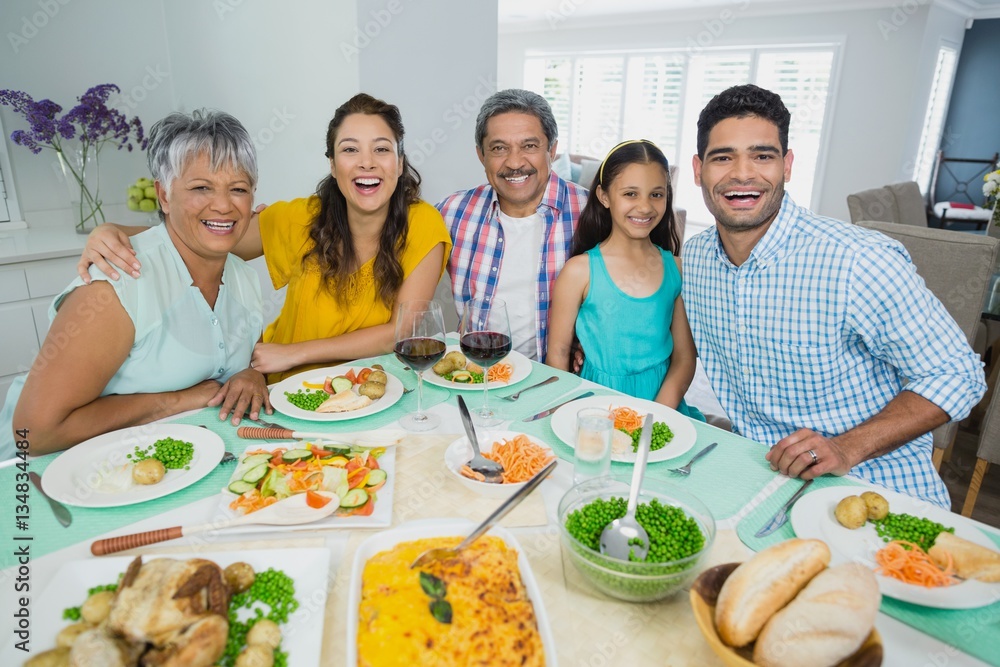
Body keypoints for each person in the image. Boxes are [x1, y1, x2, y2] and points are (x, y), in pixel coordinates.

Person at [682, 84, 986, 508]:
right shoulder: (696, 259)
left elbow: (958, 374)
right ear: (699, 170)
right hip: (757, 479)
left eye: (762, 155)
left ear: (787, 165)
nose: (742, 173)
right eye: (723, 157)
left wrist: (846, 447)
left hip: (874, 488)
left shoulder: (858, 260)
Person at [76, 94, 452, 384]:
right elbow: (198, 236)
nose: (367, 162)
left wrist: (293, 353)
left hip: (371, 390)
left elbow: (401, 332)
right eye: (350, 149)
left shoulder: (423, 224)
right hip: (285, 389)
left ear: (399, 164)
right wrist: (114, 231)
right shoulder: (303, 217)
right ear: (334, 166)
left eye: (382, 149)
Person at [2, 110, 267, 458]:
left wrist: (252, 377)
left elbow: (250, 361)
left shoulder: (243, 276)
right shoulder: (117, 283)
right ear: (164, 195)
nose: (223, 205)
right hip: (46, 473)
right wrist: (176, 401)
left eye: (238, 189)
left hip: (176, 457)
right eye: (201, 187)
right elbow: (34, 432)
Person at [546, 140, 704, 420]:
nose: (645, 207)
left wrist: (653, 420)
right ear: (604, 197)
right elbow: (558, 354)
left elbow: (684, 359)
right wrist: (564, 414)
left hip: (661, 409)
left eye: (656, 194)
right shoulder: (579, 271)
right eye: (631, 193)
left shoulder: (677, 270)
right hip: (591, 408)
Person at [437, 89, 588, 362]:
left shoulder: (590, 213)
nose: (515, 163)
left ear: (551, 150)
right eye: (499, 148)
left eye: (529, 146)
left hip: (558, 379)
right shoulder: (451, 212)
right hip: (477, 375)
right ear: (481, 155)